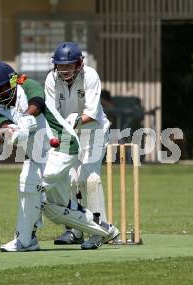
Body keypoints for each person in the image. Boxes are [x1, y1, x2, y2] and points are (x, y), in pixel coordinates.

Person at [0, 61, 118, 252]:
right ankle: (105, 230)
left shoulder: (28, 86)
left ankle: (25, 240)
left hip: (63, 145)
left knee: (30, 184)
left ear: (13, 81)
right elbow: (6, 125)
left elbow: (36, 103)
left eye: (1, 88)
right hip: (39, 156)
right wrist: (9, 132)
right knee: (56, 208)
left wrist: (24, 122)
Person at [44, 42, 115, 249]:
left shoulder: (90, 76)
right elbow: (51, 111)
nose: (64, 70)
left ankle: (100, 231)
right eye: (60, 66)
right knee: (69, 179)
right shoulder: (51, 78)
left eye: (69, 66)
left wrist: (72, 123)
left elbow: (91, 113)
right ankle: (75, 231)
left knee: (89, 178)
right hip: (67, 131)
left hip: (94, 129)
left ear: (79, 63)